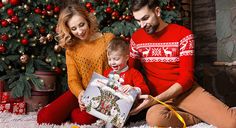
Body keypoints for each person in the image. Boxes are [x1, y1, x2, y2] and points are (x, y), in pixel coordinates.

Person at [128, 0, 236, 128]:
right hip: (158, 98)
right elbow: (131, 72)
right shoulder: (136, 38)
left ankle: (204, 113)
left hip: (186, 92)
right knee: (154, 118)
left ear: (157, 11)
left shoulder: (183, 35)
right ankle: (195, 118)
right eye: (138, 20)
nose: (142, 25)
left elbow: (187, 78)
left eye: (145, 18)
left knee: (231, 122)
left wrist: (156, 99)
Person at [37, 3, 114, 125]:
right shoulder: (71, 49)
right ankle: (70, 109)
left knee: (83, 120)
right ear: (69, 30)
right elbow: (73, 79)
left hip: (102, 94)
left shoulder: (108, 39)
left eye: (81, 25)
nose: (79, 31)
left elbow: (117, 69)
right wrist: (80, 94)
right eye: (74, 29)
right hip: (80, 92)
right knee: (44, 118)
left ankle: (72, 113)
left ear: (87, 20)